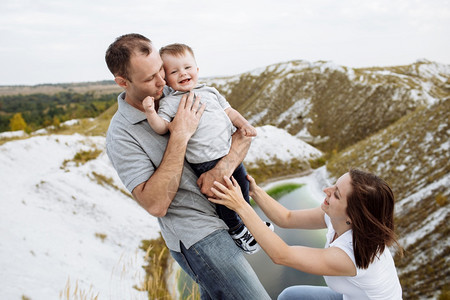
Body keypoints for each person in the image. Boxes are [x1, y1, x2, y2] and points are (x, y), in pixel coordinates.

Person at [105, 33, 270, 299]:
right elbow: (156, 205)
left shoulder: (181, 89)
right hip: (198, 235)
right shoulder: (121, 135)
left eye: (161, 69)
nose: (162, 81)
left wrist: (222, 168)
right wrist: (180, 135)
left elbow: (240, 138)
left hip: (228, 214)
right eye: (149, 78)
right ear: (122, 82)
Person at [142, 43, 271, 254]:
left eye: (187, 67)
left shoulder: (210, 91)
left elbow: (230, 111)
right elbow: (162, 127)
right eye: (174, 71)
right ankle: (237, 230)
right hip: (206, 160)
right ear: (166, 79)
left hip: (229, 152)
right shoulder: (170, 102)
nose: (183, 73)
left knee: (243, 186)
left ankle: (250, 222)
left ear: (197, 70)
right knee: (224, 196)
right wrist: (150, 113)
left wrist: (244, 124)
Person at [209, 169, 403, 300]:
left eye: (336, 194)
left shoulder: (348, 255)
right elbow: (287, 217)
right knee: (289, 296)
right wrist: (255, 192)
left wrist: (240, 206)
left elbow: (282, 255)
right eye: (334, 186)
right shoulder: (336, 217)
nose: (326, 190)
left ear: (352, 216)